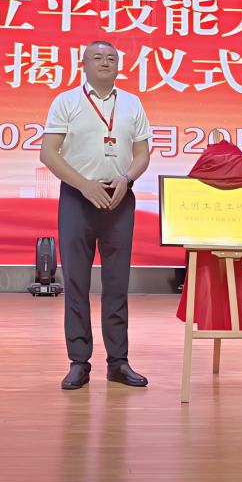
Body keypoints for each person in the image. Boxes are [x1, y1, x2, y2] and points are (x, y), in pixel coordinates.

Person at [40, 40, 152, 390]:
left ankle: (118, 363)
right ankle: (79, 362)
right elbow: (49, 153)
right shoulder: (67, 101)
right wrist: (83, 185)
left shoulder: (132, 103)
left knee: (117, 284)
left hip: (119, 197)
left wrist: (127, 178)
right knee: (76, 282)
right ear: (83, 64)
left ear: (119, 65)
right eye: (97, 57)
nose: (105, 62)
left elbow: (142, 153)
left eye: (112, 58)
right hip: (78, 198)